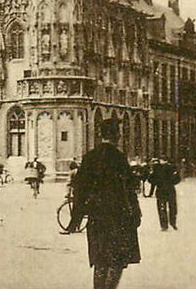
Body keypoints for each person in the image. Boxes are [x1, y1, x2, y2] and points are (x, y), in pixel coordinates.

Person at [70, 118, 141, 289]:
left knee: (100, 260)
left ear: (101, 135)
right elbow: (129, 189)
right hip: (119, 217)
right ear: (116, 135)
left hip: (97, 218)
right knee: (116, 261)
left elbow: (79, 189)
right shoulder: (119, 158)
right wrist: (136, 213)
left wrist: (76, 219)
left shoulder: (90, 157)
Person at [148, 158, 180, 231]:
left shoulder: (156, 168)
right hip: (170, 190)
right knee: (172, 207)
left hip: (161, 190)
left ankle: (164, 225)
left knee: (162, 208)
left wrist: (158, 182)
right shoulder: (172, 168)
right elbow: (177, 179)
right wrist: (171, 182)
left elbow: (150, 179)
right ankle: (173, 222)